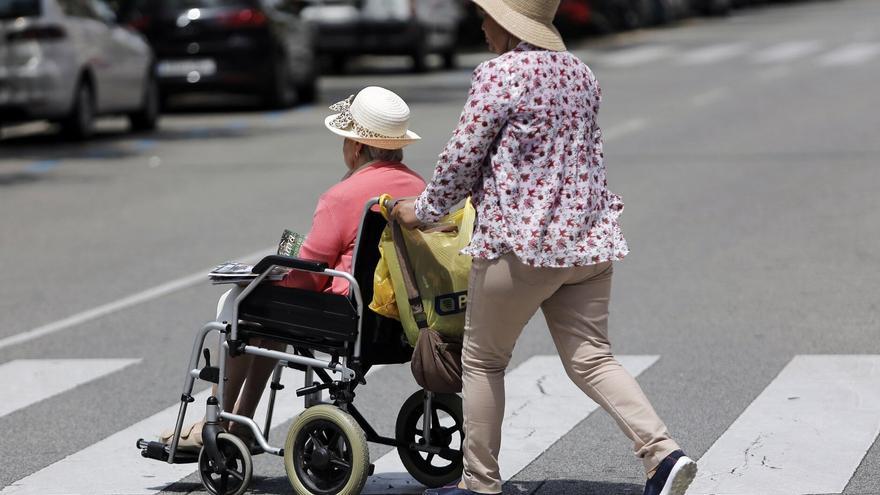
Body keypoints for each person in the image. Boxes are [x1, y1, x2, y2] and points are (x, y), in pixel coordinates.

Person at [391, 1, 697, 495]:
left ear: (508, 25)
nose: (482, 25)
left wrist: (421, 212)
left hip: (521, 245)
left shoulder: (498, 74)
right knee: (594, 359)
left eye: (487, 17)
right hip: (587, 244)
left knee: (484, 361)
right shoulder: (580, 72)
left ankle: (479, 484)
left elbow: (459, 160)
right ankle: (662, 454)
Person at [160, 86, 426, 451]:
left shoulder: (343, 195)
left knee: (241, 304)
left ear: (357, 147)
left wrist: (266, 274)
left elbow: (308, 276)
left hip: (349, 313)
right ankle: (242, 422)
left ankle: (219, 416)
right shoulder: (418, 188)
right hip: (400, 317)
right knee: (268, 319)